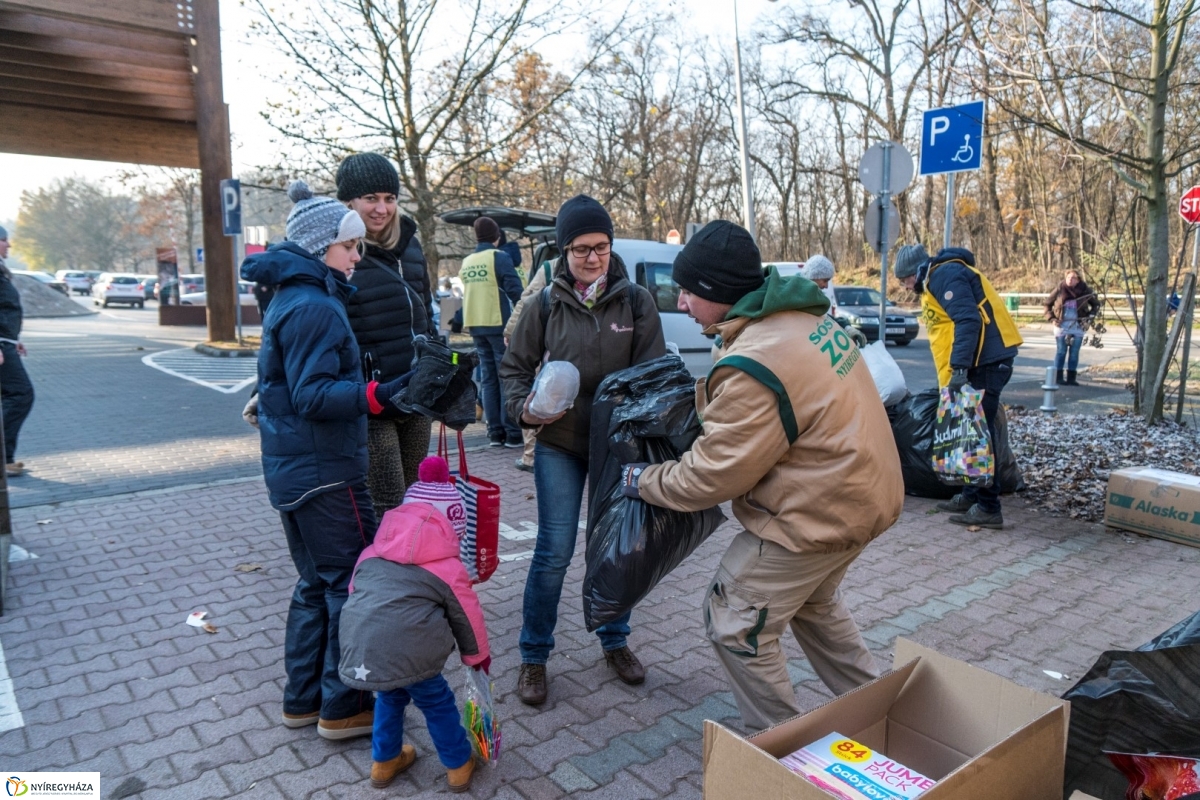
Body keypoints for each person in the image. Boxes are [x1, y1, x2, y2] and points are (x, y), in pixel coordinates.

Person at [620, 220, 903, 732]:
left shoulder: (756, 360)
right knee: (815, 606)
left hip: (815, 514)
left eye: (687, 292)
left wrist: (642, 479)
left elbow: (712, 477)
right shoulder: (800, 319)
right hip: (866, 497)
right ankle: (887, 720)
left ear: (718, 292)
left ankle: (783, 755)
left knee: (734, 619)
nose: (681, 303)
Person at [240, 181, 412, 741]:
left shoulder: (293, 296)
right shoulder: (317, 305)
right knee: (347, 585)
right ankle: (344, 707)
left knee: (314, 584)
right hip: (326, 473)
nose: (358, 257)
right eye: (350, 247)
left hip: (296, 472)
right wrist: (377, 394)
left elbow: (288, 388)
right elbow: (315, 395)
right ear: (321, 250)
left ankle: (302, 698)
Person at [500, 194, 666, 706]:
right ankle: (534, 657)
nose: (592, 258)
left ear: (610, 247)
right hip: (561, 443)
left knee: (617, 547)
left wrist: (640, 427)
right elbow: (512, 369)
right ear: (562, 250)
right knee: (553, 552)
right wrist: (524, 412)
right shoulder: (545, 303)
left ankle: (615, 642)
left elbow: (654, 376)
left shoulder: (635, 300)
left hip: (617, 447)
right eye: (580, 249)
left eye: (600, 247)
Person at [338, 456, 489, 794]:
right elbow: (467, 615)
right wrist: (476, 657)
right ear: (452, 526)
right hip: (414, 653)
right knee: (436, 703)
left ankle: (384, 761)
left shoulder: (371, 554)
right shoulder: (447, 567)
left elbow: (355, 595)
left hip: (364, 649)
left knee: (389, 698)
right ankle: (458, 763)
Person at [893, 244, 1023, 530]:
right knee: (968, 431)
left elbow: (968, 320)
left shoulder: (944, 275)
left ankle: (989, 507)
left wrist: (960, 368)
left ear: (915, 271)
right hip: (980, 363)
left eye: (904, 280)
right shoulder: (937, 278)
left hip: (986, 364)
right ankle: (969, 494)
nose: (905, 286)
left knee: (979, 436)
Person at [337, 153, 436, 516]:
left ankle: (406, 570)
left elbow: (425, 309)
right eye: (371, 198)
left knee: (415, 497)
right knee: (388, 504)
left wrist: (436, 363)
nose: (382, 209)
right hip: (372, 401)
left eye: (390, 198)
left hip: (417, 394)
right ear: (349, 201)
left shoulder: (410, 243)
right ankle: (380, 571)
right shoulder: (338, 249)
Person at [461, 215, 524, 447]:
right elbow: (516, 291)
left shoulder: (467, 261)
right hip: (498, 324)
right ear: (496, 237)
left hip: (476, 325)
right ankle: (513, 433)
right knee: (505, 376)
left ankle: (495, 433)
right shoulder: (499, 257)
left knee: (488, 379)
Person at [503, 257, 556, 473]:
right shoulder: (606, 262)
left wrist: (509, 331)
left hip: (545, 344)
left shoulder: (549, 268)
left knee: (536, 396)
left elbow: (527, 300)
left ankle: (530, 456)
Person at [0, 226, 33, 478]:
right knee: (21, 394)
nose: (8, 246)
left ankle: (6, 458)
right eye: (3, 241)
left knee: (14, 396)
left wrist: (13, 339)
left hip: (5, 342)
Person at [1044, 269, 1099, 386]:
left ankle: (1071, 378)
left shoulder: (1085, 290)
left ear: (1078, 280)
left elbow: (1096, 304)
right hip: (1061, 325)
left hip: (1078, 325)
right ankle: (1058, 377)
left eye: (1073, 278)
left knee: (1074, 353)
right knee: (1061, 351)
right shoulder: (1060, 288)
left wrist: (1089, 318)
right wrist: (1052, 319)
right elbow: (1047, 304)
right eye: (1068, 277)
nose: (1070, 280)